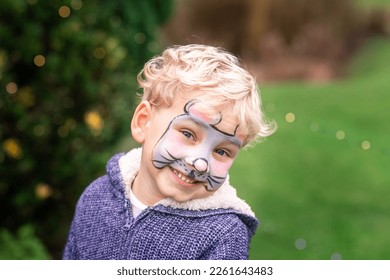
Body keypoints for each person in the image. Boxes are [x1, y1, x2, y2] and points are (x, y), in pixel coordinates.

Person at [63, 44, 276, 260]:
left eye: (222, 151)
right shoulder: (96, 199)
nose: (200, 164)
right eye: (188, 134)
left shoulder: (224, 237)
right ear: (143, 122)